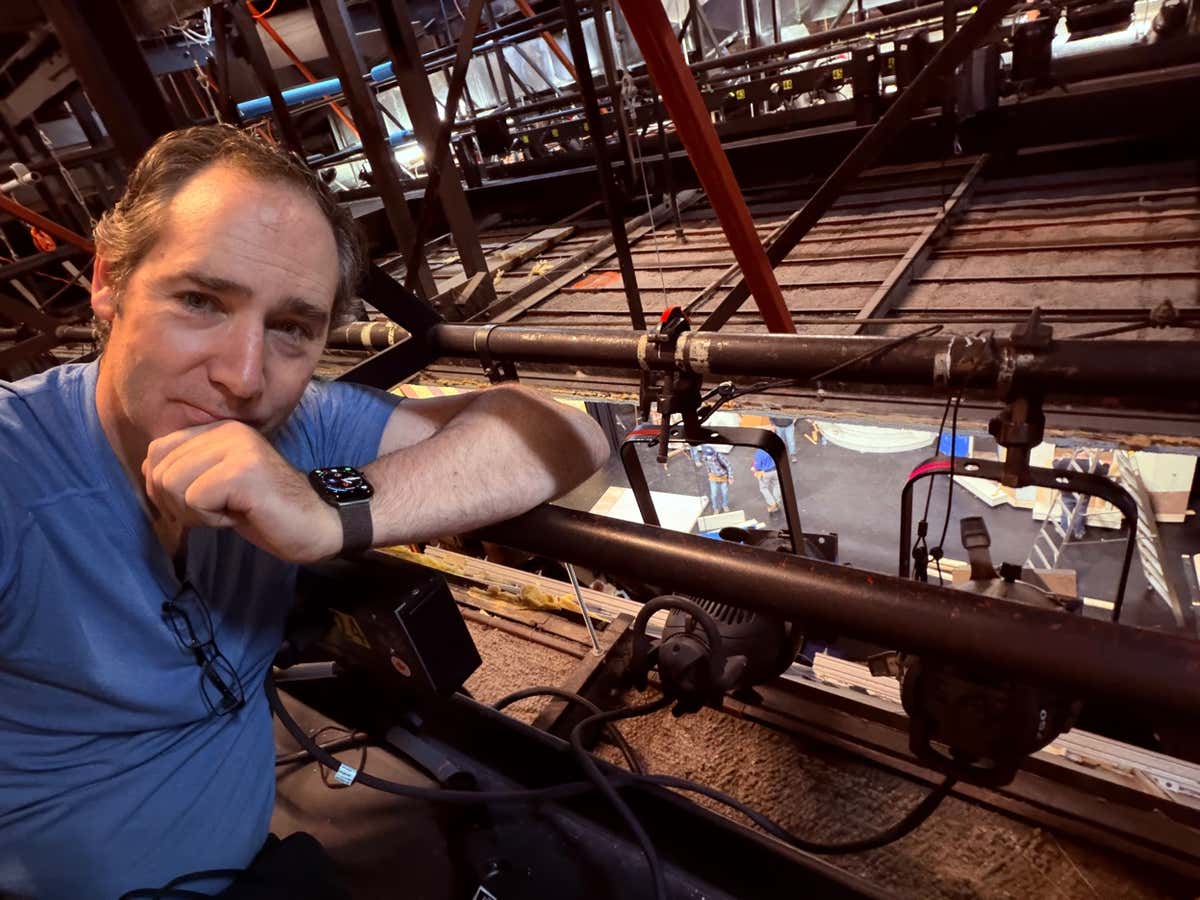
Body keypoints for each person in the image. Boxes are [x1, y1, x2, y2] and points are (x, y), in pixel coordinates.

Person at [0, 125, 608, 900]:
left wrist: (327, 505)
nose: (244, 376)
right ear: (109, 280)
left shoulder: (296, 428)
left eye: (290, 328)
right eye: (199, 300)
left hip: (254, 854)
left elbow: (566, 433)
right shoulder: (17, 472)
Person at [701, 445, 733, 513]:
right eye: (709, 455)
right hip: (713, 477)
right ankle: (715, 508)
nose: (711, 457)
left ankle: (725, 505)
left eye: (712, 455)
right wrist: (709, 472)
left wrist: (730, 477)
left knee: (724, 493)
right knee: (714, 495)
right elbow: (707, 465)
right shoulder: (705, 457)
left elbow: (729, 466)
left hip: (723, 477)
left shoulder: (719, 456)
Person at [751, 448, 783, 516]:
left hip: (765, 473)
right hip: (775, 470)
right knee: (777, 485)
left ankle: (772, 503)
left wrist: (754, 468)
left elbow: (758, 466)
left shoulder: (759, 453)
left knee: (763, 488)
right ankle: (777, 502)